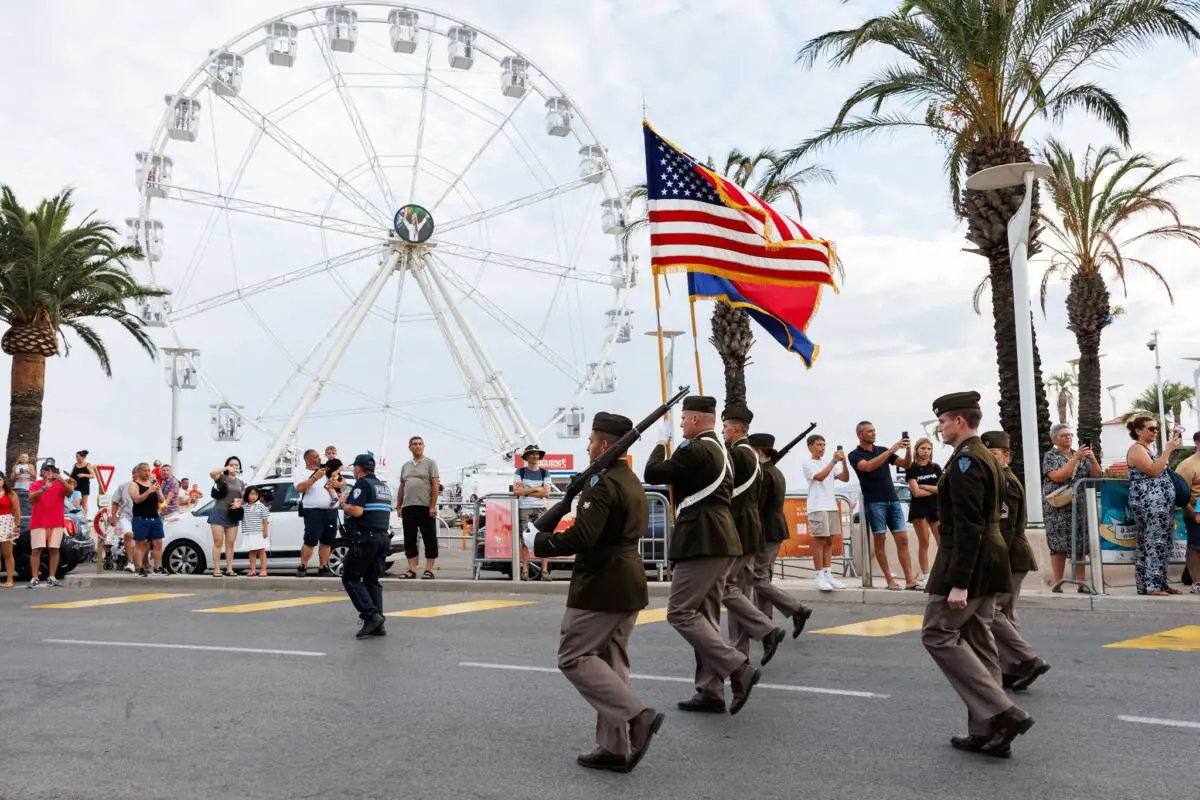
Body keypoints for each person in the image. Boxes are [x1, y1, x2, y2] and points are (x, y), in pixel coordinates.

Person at [522, 412, 663, 773]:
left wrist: (539, 541)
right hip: (629, 582)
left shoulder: (600, 483)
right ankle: (616, 748)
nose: (587, 446)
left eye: (590, 440)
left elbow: (584, 537)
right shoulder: (630, 480)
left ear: (603, 444)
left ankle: (638, 716)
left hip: (601, 584)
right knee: (611, 662)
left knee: (573, 656)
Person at [921, 391, 1031, 758]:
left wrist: (959, 582)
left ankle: (1003, 712)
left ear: (960, 422)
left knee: (937, 633)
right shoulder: (983, 457)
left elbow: (968, 525)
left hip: (971, 561)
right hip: (992, 558)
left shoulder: (968, 461)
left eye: (943, 422)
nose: (940, 429)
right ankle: (987, 732)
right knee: (979, 640)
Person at [644, 395, 760, 716]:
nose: (680, 424)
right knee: (706, 617)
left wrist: (660, 442)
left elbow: (653, 473)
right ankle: (711, 690)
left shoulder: (695, 448)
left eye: (682, 419)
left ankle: (738, 667)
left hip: (701, 539)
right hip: (720, 539)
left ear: (695, 420)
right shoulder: (721, 449)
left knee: (679, 612)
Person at [717, 404, 786, 669]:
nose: (722, 431)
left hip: (740, 530)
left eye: (724, 427)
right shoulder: (752, 457)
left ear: (734, 428)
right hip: (750, 530)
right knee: (740, 592)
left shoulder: (737, 454)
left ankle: (766, 629)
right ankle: (740, 654)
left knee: (727, 588)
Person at [981, 431, 1049, 691]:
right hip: (1012, 556)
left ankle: (1026, 659)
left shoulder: (1005, 484)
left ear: (1006, 456)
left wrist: (996, 561)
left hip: (1010, 556)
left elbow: (1005, 527)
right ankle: (1012, 667)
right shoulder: (999, 480)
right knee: (1006, 611)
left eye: (994, 455)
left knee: (991, 610)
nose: (990, 460)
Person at [749, 433, 814, 633]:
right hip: (774, 530)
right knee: (763, 579)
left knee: (758, 580)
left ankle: (797, 609)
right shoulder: (774, 472)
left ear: (759, 452)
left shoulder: (763, 474)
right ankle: (765, 624)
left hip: (765, 531)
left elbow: (756, 506)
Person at [849, 421, 919, 590]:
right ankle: (889, 580)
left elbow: (906, 464)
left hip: (893, 500)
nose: (873, 433)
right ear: (859, 434)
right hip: (874, 502)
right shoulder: (855, 455)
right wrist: (890, 451)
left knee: (903, 540)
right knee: (880, 540)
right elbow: (868, 467)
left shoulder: (881, 450)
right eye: (869, 431)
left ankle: (910, 580)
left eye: (874, 430)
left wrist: (908, 449)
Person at [1125, 414, 1182, 596]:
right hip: (1149, 503)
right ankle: (1152, 586)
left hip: (1161, 504)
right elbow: (1153, 471)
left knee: (1162, 543)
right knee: (1153, 542)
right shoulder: (1136, 449)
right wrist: (1167, 451)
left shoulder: (1148, 449)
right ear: (1138, 430)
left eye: (1157, 428)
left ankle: (1159, 583)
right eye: (1151, 428)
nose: (1155, 431)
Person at [1042, 423, 1101, 592]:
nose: (1068, 438)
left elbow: (1097, 475)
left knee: (1080, 542)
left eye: (1070, 435)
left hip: (1080, 505)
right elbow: (1058, 476)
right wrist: (1075, 460)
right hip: (1058, 507)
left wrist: (1092, 458)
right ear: (1054, 439)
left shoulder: (1080, 455)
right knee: (1058, 544)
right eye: (1064, 435)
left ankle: (1081, 582)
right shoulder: (1051, 456)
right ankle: (1058, 581)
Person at [340, 452, 394, 638]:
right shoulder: (383, 487)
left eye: (354, 468)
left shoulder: (362, 484)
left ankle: (371, 617)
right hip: (382, 538)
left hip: (366, 539)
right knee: (372, 580)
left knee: (350, 577)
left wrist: (344, 505)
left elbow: (357, 511)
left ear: (359, 469)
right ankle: (378, 624)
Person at [802, 434, 851, 591]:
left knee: (830, 540)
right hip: (817, 506)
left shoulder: (828, 462)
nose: (822, 448)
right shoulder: (808, 464)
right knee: (820, 540)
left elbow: (844, 478)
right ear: (810, 446)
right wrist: (834, 461)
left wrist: (844, 463)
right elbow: (820, 477)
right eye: (818, 444)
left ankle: (828, 574)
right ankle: (819, 576)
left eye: (824, 444)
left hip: (831, 505)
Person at [397, 436, 440, 579]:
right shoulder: (405, 466)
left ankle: (429, 570)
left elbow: (435, 486)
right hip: (408, 507)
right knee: (409, 539)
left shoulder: (430, 463)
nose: (417, 446)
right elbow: (402, 487)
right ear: (410, 447)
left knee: (430, 538)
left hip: (425, 507)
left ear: (424, 446)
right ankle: (412, 570)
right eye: (414, 444)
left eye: (420, 444)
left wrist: (433, 506)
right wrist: (398, 506)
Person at [295, 449, 341, 577]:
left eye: (318, 456)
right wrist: (315, 477)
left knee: (327, 541)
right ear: (307, 459)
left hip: (330, 510)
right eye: (315, 457)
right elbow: (299, 488)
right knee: (310, 541)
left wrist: (337, 483)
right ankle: (302, 565)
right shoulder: (301, 471)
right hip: (313, 510)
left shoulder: (325, 470)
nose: (318, 459)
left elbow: (339, 482)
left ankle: (323, 566)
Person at [28, 461, 75, 588]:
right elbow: (31, 497)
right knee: (36, 550)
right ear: (42, 471)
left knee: (54, 549)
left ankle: (52, 576)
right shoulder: (35, 484)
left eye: (52, 470)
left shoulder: (60, 485)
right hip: (39, 522)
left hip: (56, 522)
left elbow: (70, 493)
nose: (50, 472)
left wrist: (62, 480)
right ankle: (34, 577)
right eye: (47, 469)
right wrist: (44, 488)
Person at [513, 445, 553, 581]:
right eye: (532, 454)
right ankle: (524, 571)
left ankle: (545, 571)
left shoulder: (544, 472)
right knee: (524, 540)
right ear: (526, 457)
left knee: (543, 539)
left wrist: (527, 490)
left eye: (537, 454)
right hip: (525, 508)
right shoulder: (520, 471)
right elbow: (517, 491)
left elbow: (547, 493)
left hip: (541, 508)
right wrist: (537, 490)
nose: (535, 456)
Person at [906, 438, 942, 585]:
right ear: (917, 450)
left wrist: (925, 486)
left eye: (928, 449)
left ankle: (942, 572)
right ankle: (926, 575)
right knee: (925, 542)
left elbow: (942, 489)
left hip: (936, 508)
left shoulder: (935, 468)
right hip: (919, 509)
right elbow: (916, 493)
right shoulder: (911, 468)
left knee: (942, 542)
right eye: (923, 448)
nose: (926, 451)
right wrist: (933, 489)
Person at [207, 457, 246, 578]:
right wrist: (225, 468)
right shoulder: (222, 478)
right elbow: (212, 473)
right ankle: (217, 569)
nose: (234, 466)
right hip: (218, 512)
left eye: (236, 465)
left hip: (232, 514)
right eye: (232, 464)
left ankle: (229, 569)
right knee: (218, 542)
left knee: (230, 543)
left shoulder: (241, 482)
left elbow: (244, 498)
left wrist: (240, 503)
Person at [128, 462, 167, 577]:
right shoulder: (134, 485)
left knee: (158, 543)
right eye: (145, 470)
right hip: (141, 518)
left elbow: (161, 500)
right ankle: (139, 568)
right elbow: (137, 499)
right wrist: (149, 491)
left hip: (155, 518)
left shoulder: (154, 483)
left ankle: (157, 567)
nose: (147, 473)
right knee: (140, 544)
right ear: (139, 472)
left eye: (149, 470)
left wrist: (158, 492)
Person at [1174, 432, 1200, 594]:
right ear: (1197, 442)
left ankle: (1188, 575)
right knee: (1196, 546)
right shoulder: (1187, 465)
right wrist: (1192, 512)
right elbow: (1181, 493)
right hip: (1196, 509)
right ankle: (1197, 582)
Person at [109, 467, 139, 573]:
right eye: (137, 472)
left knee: (142, 541)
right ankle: (130, 563)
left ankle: (140, 564)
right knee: (128, 534)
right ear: (133, 474)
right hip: (125, 516)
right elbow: (115, 501)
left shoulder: (148, 487)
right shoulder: (123, 486)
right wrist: (113, 516)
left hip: (141, 517)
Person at [240, 487, 271, 577]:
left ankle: (263, 570)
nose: (254, 496)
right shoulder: (244, 506)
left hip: (259, 532)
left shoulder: (261, 506)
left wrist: (265, 531)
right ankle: (252, 570)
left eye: (256, 494)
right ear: (247, 495)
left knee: (261, 551)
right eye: (251, 494)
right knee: (252, 552)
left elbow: (265, 519)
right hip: (248, 533)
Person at [0, 473, 21, 587]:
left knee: (7, 554)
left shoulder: (11, 494)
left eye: (0, 480)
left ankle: (9, 579)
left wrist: (17, 526)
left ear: (3, 481)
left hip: (6, 523)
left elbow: (17, 511)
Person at [69, 450, 98, 517]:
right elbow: (71, 474)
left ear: (82, 457)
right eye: (76, 457)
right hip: (75, 486)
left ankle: (85, 517)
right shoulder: (75, 465)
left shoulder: (88, 465)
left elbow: (93, 476)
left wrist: (84, 475)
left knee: (83, 503)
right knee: (75, 501)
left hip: (84, 486)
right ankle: (76, 515)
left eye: (78, 457)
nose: (76, 458)